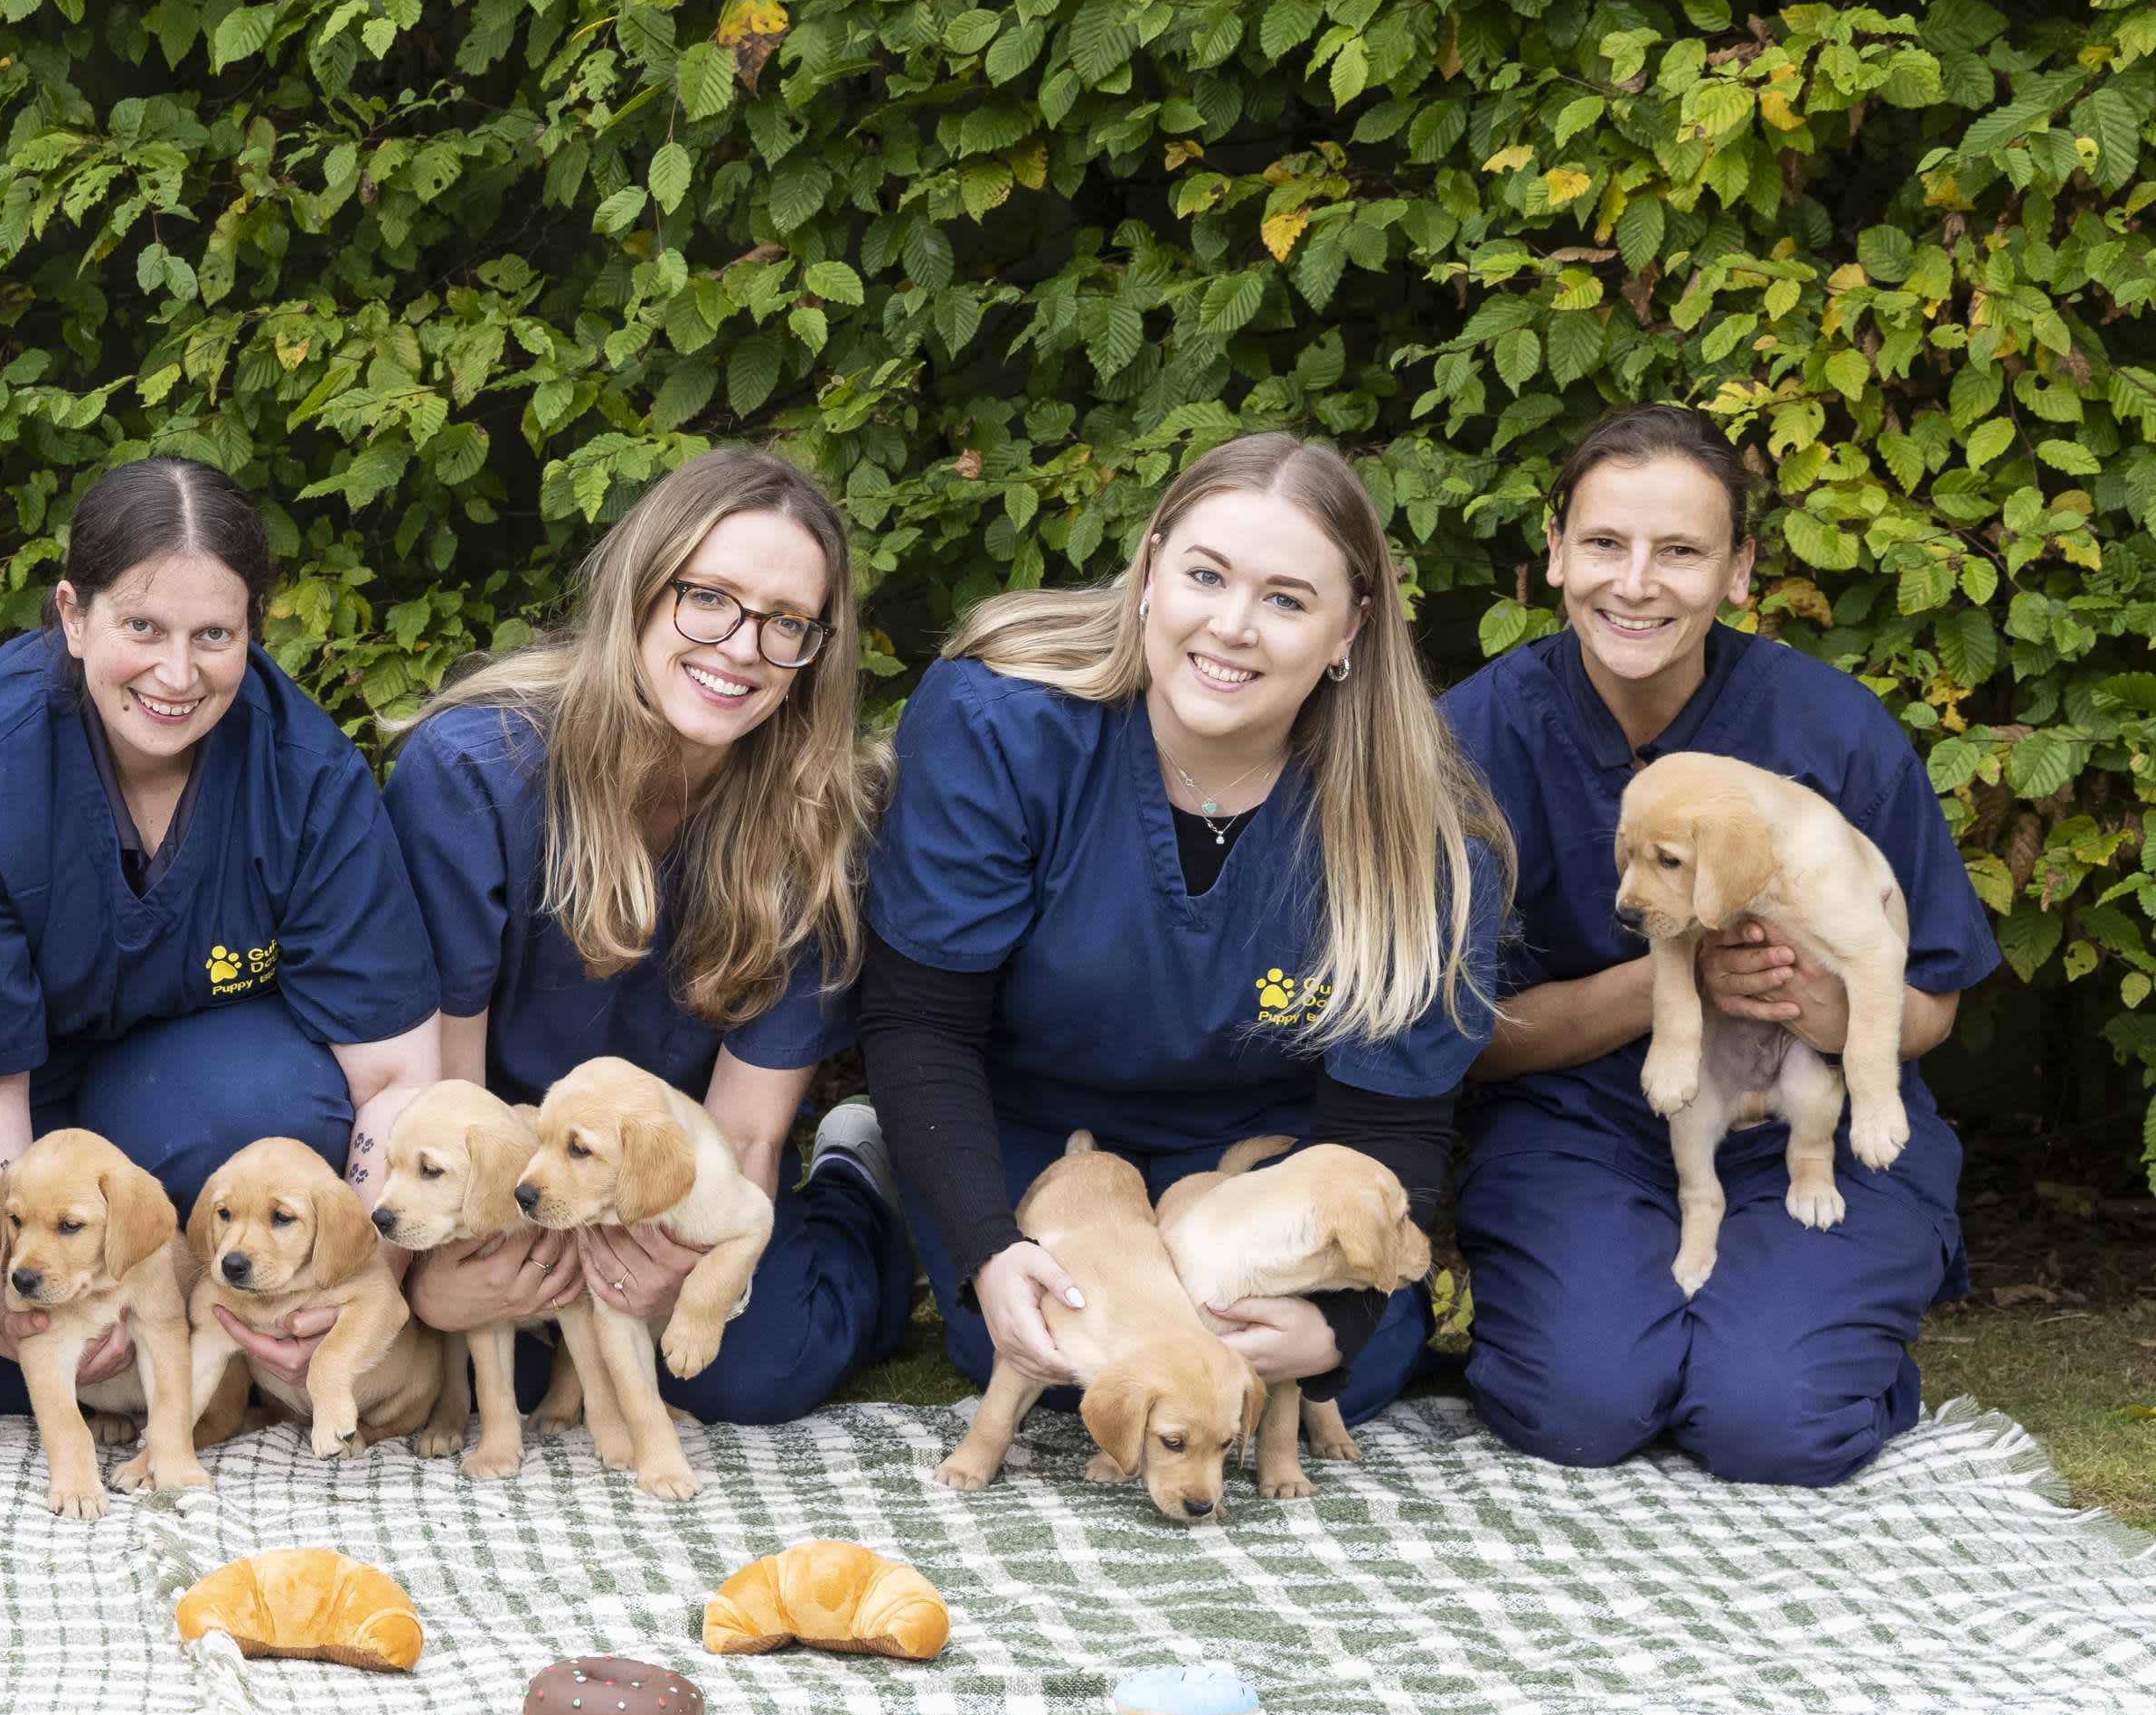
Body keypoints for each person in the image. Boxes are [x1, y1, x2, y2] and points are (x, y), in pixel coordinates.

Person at [861, 431, 1508, 1423]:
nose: (1233, 624)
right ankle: (874, 1165)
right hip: (1036, 1130)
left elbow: (1390, 1121)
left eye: (1287, 599)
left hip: (1251, 1158)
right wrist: (989, 1245)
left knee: (1324, 1377)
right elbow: (919, 1019)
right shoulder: (1001, 722)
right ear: (1151, 566)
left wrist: (1336, 1322)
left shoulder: (1414, 836)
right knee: (1059, 1360)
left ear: (1349, 629)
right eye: (1204, 573)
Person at [1444, 404, 1996, 1484]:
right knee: (1580, 1405)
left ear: (1738, 570)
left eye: (1681, 550)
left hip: (1810, 1113)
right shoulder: (1471, 738)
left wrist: (1822, 1006)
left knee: (1769, 1421)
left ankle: (1796, 1341)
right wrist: (1679, 978)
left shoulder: (1831, 731)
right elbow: (1461, 1038)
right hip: (1580, 1122)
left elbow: (1930, 997)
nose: (1635, 582)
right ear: (1552, 549)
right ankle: (1634, 1327)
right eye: (1603, 542)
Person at [0, 456, 436, 1407]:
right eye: (140, 626)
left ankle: (226, 1336)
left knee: (277, 1101)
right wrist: (18, 1309)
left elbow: (391, 1076)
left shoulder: (305, 774)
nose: (176, 673)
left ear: (253, 629)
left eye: (214, 633)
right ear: (72, 614)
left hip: (172, 1097)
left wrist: (366, 1294)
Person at [385, 448, 912, 1423]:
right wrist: (443, 1276)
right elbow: (446, 1094)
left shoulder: (811, 814)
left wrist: (675, 1266)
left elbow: (746, 1127)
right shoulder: (474, 770)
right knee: (489, 1333)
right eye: (706, 597)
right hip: (516, 1158)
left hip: (685, 1162)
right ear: (640, 588)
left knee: (753, 1365)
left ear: (815, 651)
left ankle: (855, 1185)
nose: (741, 646)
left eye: (785, 623)